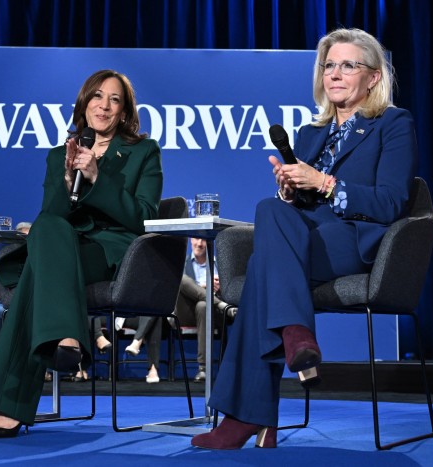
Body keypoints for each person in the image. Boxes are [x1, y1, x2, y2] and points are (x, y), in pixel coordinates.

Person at [191, 28, 417, 450]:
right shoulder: (311, 134)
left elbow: (392, 202)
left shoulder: (392, 123)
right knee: (271, 210)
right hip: (304, 243)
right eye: (329, 65)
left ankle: (245, 416)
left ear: (372, 77)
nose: (335, 73)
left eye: (348, 65)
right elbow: (298, 206)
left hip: (353, 242)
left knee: (263, 268)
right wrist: (291, 190)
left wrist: (326, 183)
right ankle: (295, 333)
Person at [0, 69, 163, 438]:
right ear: (84, 102)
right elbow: (53, 217)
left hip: (112, 252)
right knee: (46, 228)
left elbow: (145, 219)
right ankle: (67, 341)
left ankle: (8, 403)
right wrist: (65, 182)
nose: (104, 106)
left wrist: (97, 178)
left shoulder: (143, 151)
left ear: (124, 112)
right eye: (97, 96)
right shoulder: (60, 153)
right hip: (64, 246)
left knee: (37, 271)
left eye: (114, 99)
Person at [172, 237, 230, 382]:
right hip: (186, 311)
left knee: (203, 306)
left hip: (211, 313)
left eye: (203, 239)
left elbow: (232, 290)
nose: (199, 243)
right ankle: (219, 304)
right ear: (191, 240)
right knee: (181, 278)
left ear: (210, 241)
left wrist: (221, 288)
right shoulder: (182, 263)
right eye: (197, 239)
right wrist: (203, 288)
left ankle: (203, 369)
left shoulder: (219, 264)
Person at [0, 221, 33, 364]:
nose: (25, 241)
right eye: (21, 237)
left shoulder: (40, 254)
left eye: (28, 237)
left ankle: (40, 367)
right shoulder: (5, 254)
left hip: (32, 299)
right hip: (6, 300)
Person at [123, 316, 163, 383]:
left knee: (155, 313)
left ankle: (136, 341)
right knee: (155, 314)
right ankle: (153, 369)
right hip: (130, 316)